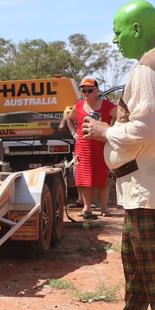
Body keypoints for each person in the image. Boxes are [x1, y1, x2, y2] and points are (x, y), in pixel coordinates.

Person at [82, 0, 155, 310]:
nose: (115, 39)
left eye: (118, 31)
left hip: (147, 189)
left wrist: (105, 131)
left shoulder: (148, 68)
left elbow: (148, 129)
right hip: (151, 187)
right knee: (137, 269)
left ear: (137, 29)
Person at [66, 77, 117, 220]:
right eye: (83, 91)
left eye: (89, 90)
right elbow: (68, 118)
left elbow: (120, 116)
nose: (86, 93)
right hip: (83, 147)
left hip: (102, 146)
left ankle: (104, 208)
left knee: (103, 177)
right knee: (84, 178)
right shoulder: (79, 106)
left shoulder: (107, 105)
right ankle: (87, 208)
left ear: (97, 91)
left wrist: (112, 130)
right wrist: (73, 132)